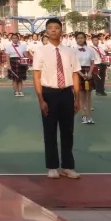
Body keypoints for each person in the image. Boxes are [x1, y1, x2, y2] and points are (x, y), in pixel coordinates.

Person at [33, 18, 81, 180]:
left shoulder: (70, 52)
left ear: (62, 31)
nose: (53, 30)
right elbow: (37, 76)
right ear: (46, 31)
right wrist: (41, 99)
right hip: (49, 93)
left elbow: (75, 75)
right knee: (50, 131)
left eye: (56, 28)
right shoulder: (40, 51)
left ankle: (67, 166)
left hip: (67, 93)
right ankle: (52, 166)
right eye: (50, 28)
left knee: (68, 132)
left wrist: (77, 98)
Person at [74, 32, 96, 124]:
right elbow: (73, 64)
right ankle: (83, 116)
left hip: (88, 72)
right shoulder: (73, 50)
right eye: (78, 38)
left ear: (85, 39)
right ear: (76, 39)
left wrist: (90, 72)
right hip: (78, 72)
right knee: (81, 95)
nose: (80, 39)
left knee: (88, 96)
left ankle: (89, 116)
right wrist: (80, 73)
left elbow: (92, 63)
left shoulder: (90, 50)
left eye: (82, 38)